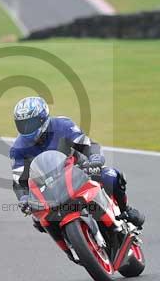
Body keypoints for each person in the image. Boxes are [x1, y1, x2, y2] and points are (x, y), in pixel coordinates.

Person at [9, 96, 145, 237]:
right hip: (49, 189)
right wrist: (23, 199)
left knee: (110, 176)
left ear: (43, 118)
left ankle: (125, 210)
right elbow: (19, 181)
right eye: (22, 125)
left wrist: (94, 158)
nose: (27, 129)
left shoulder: (62, 125)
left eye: (30, 123)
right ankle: (70, 247)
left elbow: (87, 144)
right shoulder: (18, 149)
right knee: (38, 219)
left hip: (79, 171)